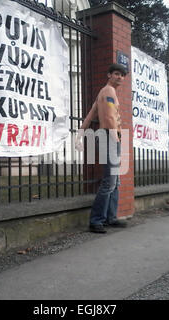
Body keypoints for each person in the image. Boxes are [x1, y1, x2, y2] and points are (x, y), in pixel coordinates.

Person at [76, 64, 128, 233]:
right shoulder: (108, 92)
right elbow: (109, 117)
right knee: (109, 182)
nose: (120, 77)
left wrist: (79, 136)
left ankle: (110, 217)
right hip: (109, 136)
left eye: (122, 75)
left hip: (109, 136)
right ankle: (96, 220)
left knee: (115, 181)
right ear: (109, 75)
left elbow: (90, 116)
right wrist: (116, 138)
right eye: (116, 74)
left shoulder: (103, 93)